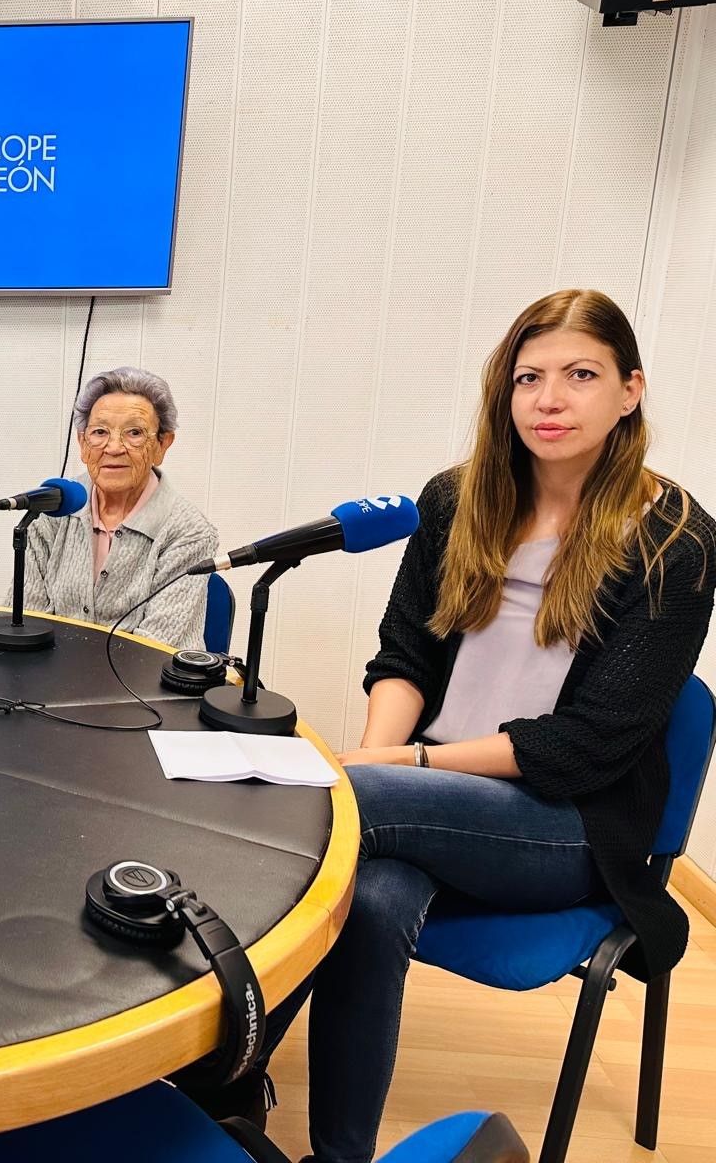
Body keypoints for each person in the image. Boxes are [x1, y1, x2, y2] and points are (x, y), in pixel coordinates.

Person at [282, 289, 713, 1163]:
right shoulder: (457, 500)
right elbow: (404, 653)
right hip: (425, 798)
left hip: (566, 827)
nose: (550, 400)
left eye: (580, 376)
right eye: (530, 378)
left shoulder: (677, 541)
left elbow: (585, 745)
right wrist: (386, 761)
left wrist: (399, 767)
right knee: (369, 894)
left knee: (323, 803)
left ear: (630, 391)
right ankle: (339, 1156)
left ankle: (219, 1062)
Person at [14, 366, 216, 648]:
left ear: (162, 445)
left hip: (144, 685)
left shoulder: (189, 532)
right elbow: (25, 620)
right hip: (51, 682)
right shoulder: (53, 508)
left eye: (134, 433)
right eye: (99, 432)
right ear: (83, 443)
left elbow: (153, 650)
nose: (114, 447)